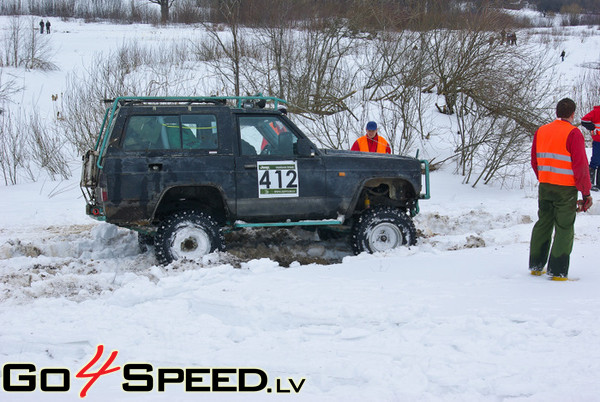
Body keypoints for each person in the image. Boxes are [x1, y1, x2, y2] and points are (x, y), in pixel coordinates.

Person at [529, 98, 592, 281]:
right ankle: (558, 271)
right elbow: (580, 166)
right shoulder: (574, 133)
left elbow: (535, 160)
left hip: (546, 185)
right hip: (566, 189)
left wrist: (543, 177)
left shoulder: (541, 131)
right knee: (564, 227)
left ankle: (536, 266)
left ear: (556, 112)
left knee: (543, 223)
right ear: (572, 114)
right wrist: (585, 192)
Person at [581, 105, 600, 191]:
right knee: (595, 161)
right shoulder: (596, 111)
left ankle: (598, 184)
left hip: (597, 140)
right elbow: (584, 120)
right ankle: (590, 183)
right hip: (598, 141)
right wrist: (593, 128)